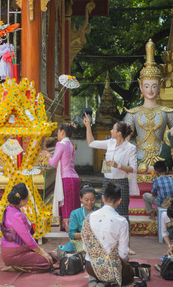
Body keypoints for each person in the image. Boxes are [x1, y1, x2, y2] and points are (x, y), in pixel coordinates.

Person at [123, 39, 173, 173]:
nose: (150, 90)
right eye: (146, 86)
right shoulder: (133, 113)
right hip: (139, 155)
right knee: (124, 139)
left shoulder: (167, 111)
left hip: (161, 154)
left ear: (159, 87)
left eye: (154, 86)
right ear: (141, 87)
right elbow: (124, 137)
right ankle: (157, 169)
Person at [83, 114, 137, 255]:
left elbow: (133, 168)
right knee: (105, 210)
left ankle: (127, 245)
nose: (111, 131)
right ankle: (104, 241)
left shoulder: (130, 148)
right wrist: (88, 126)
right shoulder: (110, 143)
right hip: (107, 180)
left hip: (121, 181)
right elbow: (91, 143)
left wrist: (117, 165)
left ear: (119, 133)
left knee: (123, 213)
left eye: (113, 129)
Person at [82, 182, 134, 286]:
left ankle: (94, 278)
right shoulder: (122, 221)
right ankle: (107, 283)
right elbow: (123, 254)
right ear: (119, 201)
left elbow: (85, 248)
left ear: (103, 198)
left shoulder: (89, 217)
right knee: (130, 272)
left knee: (98, 269)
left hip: (90, 266)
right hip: (110, 269)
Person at [0, 183, 55, 273]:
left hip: (14, 251)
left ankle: (14, 264)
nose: (29, 198)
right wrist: (40, 251)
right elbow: (27, 238)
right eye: (28, 196)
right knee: (47, 263)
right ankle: (13, 267)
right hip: (15, 254)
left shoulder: (9, 208)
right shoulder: (17, 215)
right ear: (22, 200)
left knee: (51, 257)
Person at [40, 123, 81, 232]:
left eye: (58, 132)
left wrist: (47, 154)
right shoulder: (71, 145)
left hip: (66, 178)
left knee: (67, 204)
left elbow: (53, 163)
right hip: (74, 178)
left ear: (62, 132)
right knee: (73, 203)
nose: (57, 134)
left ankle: (69, 228)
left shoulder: (61, 144)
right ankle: (71, 226)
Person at [56, 186, 97, 256]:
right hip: (80, 241)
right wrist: (87, 235)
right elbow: (72, 234)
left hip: (96, 242)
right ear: (81, 199)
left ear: (95, 199)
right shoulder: (75, 213)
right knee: (64, 253)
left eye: (92, 199)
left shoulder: (99, 212)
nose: (89, 203)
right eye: (86, 200)